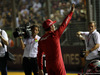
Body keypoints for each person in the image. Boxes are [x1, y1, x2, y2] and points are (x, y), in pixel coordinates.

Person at [37, 4, 75, 75]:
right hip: (58, 64)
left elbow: (39, 55)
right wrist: (71, 12)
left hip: (49, 66)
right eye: (53, 25)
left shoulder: (41, 40)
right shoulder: (55, 35)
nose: (54, 26)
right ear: (51, 27)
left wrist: (40, 68)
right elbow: (65, 23)